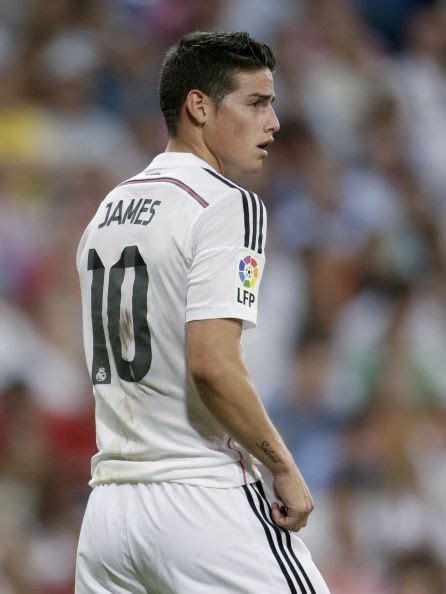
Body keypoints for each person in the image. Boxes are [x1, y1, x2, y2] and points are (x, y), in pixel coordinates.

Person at [75, 31, 330, 594]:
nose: (275, 123)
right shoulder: (226, 203)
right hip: (199, 501)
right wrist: (281, 464)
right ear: (199, 106)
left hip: (108, 517)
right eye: (257, 102)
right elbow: (211, 364)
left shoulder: (108, 211)